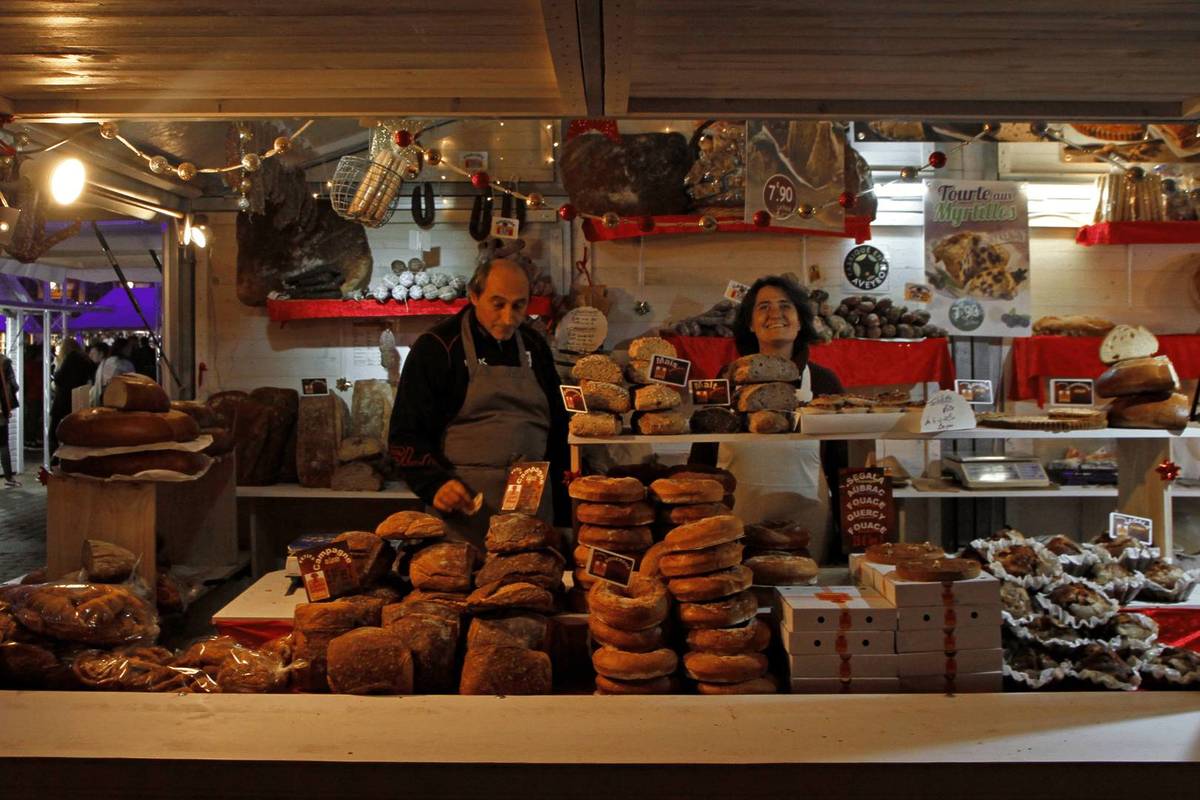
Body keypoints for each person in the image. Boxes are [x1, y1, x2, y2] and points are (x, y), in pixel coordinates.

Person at [389, 258, 569, 546]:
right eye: (498, 304)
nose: (509, 318)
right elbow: (404, 436)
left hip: (532, 515)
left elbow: (559, 432)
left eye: (519, 306)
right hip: (464, 521)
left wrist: (564, 515)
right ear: (474, 295)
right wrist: (434, 483)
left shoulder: (535, 346)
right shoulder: (437, 347)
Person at [692, 275, 847, 563]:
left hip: (808, 527)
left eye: (785, 305)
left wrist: (846, 536)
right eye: (763, 307)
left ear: (800, 321)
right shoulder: (726, 379)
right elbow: (702, 455)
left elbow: (841, 464)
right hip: (737, 524)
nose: (775, 313)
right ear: (751, 324)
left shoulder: (825, 382)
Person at [49, 338, 94, 458]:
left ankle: (56, 458)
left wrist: (56, 372)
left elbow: (59, 378)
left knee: (55, 431)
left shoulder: (70, 359)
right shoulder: (85, 359)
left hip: (64, 399)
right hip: (79, 397)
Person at [90, 337, 135, 406]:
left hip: (105, 395)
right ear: (123, 348)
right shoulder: (125, 364)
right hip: (121, 395)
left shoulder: (106, 361)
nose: (130, 350)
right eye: (128, 348)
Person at [0, 351, 20, 487]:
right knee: (3, 444)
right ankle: (8, 478)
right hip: (1, 410)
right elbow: (14, 386)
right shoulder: (4, 362)